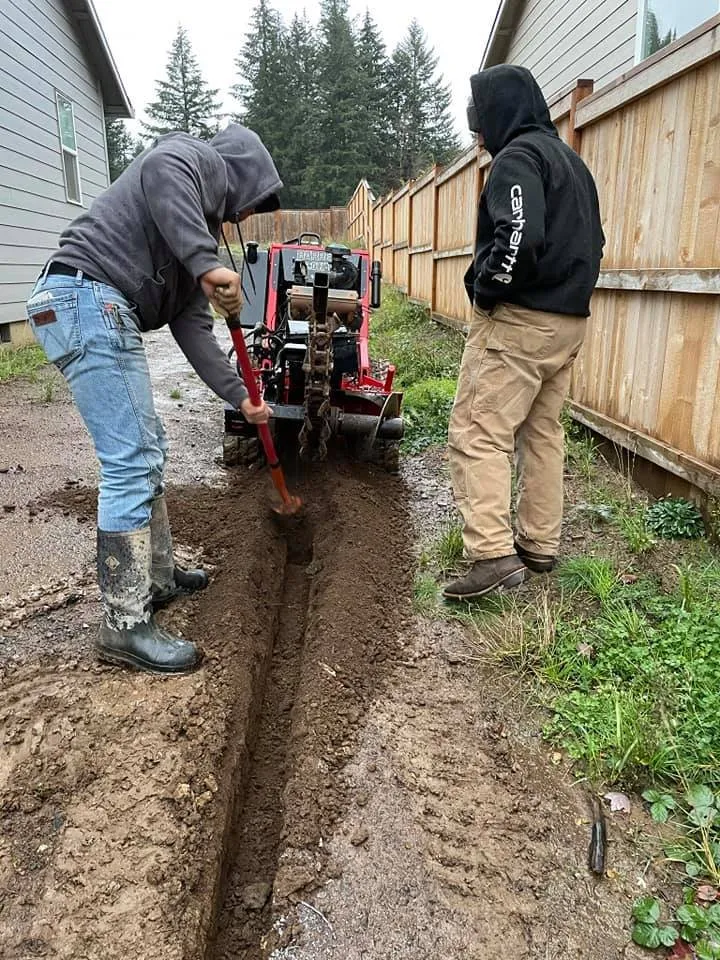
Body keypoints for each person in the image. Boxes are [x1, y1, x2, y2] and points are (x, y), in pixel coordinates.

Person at [25, 124, 282, 673]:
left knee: (148, 450)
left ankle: (159, 578)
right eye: (249, 204)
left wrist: (241, 399)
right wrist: (207, 260)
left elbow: (195, 333)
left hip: (84, 303)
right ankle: (122, 623)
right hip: (84, 297)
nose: (241, 217)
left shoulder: (191, 243)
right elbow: (163, 167)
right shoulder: (194, 157)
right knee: (129, 463)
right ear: (243, 173)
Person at [444, 65, 604, 600]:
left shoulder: (517, 159)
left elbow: (519, 231)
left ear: (499, 111)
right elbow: (595, 244)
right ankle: (539, 545)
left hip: (520, 322)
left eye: (479, 116)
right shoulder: (572, 164)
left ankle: (491, 556)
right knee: (541, 432)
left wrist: (491, 288)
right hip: (569, 323)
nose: (476, 130)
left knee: (479, 432)